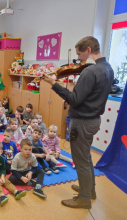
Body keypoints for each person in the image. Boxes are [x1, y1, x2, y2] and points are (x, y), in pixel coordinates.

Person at [43, 36, 114, 209]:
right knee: (86, 157)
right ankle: (89, 190)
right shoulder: (108, 68)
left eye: (80, 53)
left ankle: (83, 198)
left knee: (80, 160)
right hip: (94, 120)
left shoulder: (90, 71)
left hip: (82, 122)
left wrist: (54, 84)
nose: (78, 58)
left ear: (89, 50)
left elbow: (74, 99)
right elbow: (89, 96)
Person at [0, 141, 26, 207]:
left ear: (1, 152)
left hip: (0, 174)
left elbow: (3, 169)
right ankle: (2, 196)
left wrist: (2, 177)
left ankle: (16, 192)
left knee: (7, 182)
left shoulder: (1, 158)